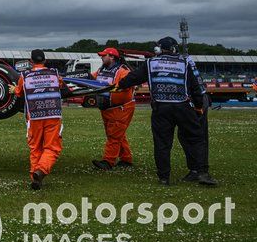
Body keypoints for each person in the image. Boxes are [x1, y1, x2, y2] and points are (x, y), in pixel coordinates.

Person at [115, 37, 217, 186]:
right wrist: (198, 106)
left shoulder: (151, 63)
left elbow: (133, 78)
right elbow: (195, 87)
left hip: (161, 108)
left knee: (162, 143)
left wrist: (119, 85)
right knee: (195, 139)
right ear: (175, 49)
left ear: (158, 49)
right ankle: (201, 172)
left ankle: (164, 178)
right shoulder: (184, 62)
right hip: (183, 106)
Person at [10, 49, 70, 190]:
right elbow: (63, 87)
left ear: (31, 62)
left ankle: (35, 178)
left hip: (34, 116)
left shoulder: (24, 75)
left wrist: (13, 89)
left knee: (35, 148)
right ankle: (41, 171)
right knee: (52, 147)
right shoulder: (54, 74)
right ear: (45, 60)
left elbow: (18, 92)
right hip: (53, 115)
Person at [90, 47, 136, 171]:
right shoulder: (102, 69)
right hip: (107, 108)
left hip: (121, 108)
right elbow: (91, 78)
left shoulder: (123, 71)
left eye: (104, 55)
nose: (101, 57)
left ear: (112, 57)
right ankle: (126, 159)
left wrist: (108, 88)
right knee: (118, 134)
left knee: (114, 135)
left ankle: (108, 161)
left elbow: (125, 86)